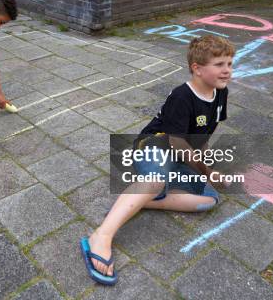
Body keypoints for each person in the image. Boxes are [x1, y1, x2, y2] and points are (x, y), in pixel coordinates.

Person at [80, 35, 235, 285]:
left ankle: (140, 202)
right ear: (197, 68)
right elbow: (177, 143)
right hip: (154, 146)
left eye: (229, 63)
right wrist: (207, 172)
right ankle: (101, 236)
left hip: (180, 158)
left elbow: (202, 137)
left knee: (210, 200)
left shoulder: (220, 93)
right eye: (219, 64)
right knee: (154, 180)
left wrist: (210, 168)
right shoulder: (182, 97)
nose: (227, 70)